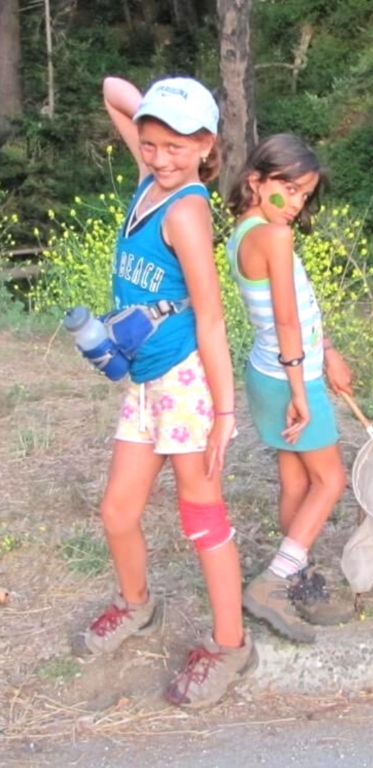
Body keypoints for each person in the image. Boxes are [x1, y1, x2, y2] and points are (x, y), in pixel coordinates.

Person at [73, 76, 254, 709]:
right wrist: (157, 110)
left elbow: (210, 316)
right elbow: (111, 89)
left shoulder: (185, 209)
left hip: (185, 383)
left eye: (178, 146)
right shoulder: (152, 179)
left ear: (207, 145)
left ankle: (230, 644)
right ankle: (135, 605)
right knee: (117, 511)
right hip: (145, 382)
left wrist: (226, 411)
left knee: (201, 515)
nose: (160, 156)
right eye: (149, 144)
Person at [226, 134, 353, 645]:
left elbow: (299, 309)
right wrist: (304, 388)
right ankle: (275, 582)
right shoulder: (275, 238)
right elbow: (284, 322)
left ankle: (294, 574)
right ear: (256, 181)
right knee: (331, 481)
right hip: (288, 376)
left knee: (297, 484)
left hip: (267, 373)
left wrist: (330, 349)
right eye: (290, 188)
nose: (297, 203)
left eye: (305, 194)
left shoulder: (245, 229)